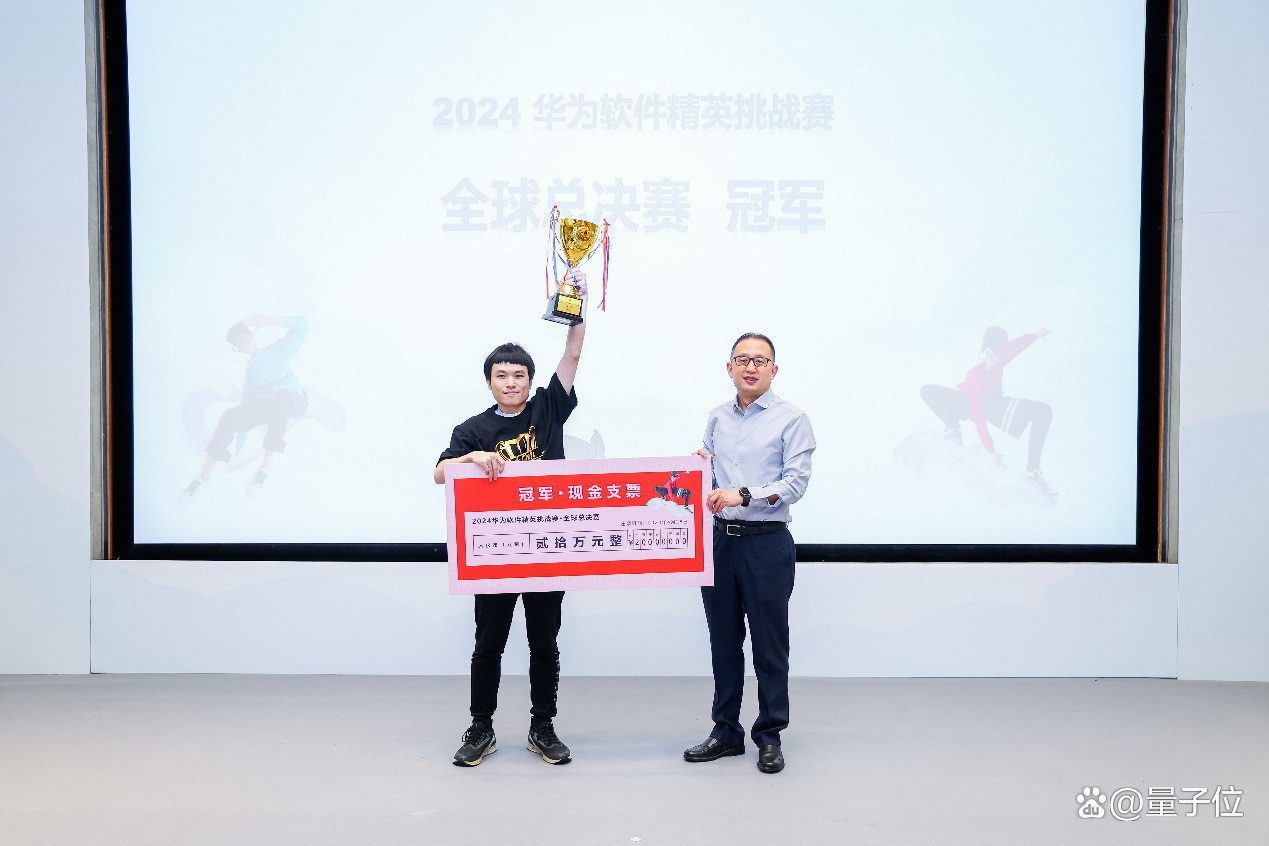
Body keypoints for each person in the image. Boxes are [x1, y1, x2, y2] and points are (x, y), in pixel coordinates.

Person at [434, 273, 588, 767]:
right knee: (488, 644)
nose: (511, 383)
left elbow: (573, 355)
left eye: (519, 375)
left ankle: (543, 728)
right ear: (490, 382)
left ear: (528, 380)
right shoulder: (471, 429)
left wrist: (577, 306)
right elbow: (439, 473)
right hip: (495, 554)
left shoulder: (547, 408)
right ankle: (481, 727)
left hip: (546, 550)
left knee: (544, 644)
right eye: (502, 376)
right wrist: (472, 457)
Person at [684, 332, 815, 775]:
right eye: (742, 360)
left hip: (766, 543)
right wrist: (697, 470)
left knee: (768, 644)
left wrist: (742, 494)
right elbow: (708, 476)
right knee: (723, 642)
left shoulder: (792, 419)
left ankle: (770, 734)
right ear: (730, 368)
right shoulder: (717, 417)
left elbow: (795, 483)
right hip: (721, 542)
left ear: (774, 370)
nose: (751, 367)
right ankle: (726, 731)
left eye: (760, 360)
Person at [179, 313, 309, 504]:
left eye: (243, 338)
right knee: (229, 417)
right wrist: (240, 445)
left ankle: (266, 468)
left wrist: (269, 320)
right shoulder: (251, 374)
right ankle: (203, 478)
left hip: (294, 400)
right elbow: (246, 409)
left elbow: (303, 325)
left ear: (251, 335)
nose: (242, 344)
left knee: (282, 397)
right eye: (237, 344)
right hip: (272, 407)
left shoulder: (277, 351)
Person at [919, 326, 1056, 496]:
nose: (993, 358)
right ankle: (954, 430)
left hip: (995, 405)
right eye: (989, 353)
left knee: (1043, 411)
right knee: (928, 391)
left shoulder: (1002, 357)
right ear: (983, 351)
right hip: (968, 404)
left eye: (997, 354)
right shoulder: (975, 376)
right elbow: (978, 415)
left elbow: (1016, 346)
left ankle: (1032, 473)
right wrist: (992, 451)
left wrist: (1035, 335)